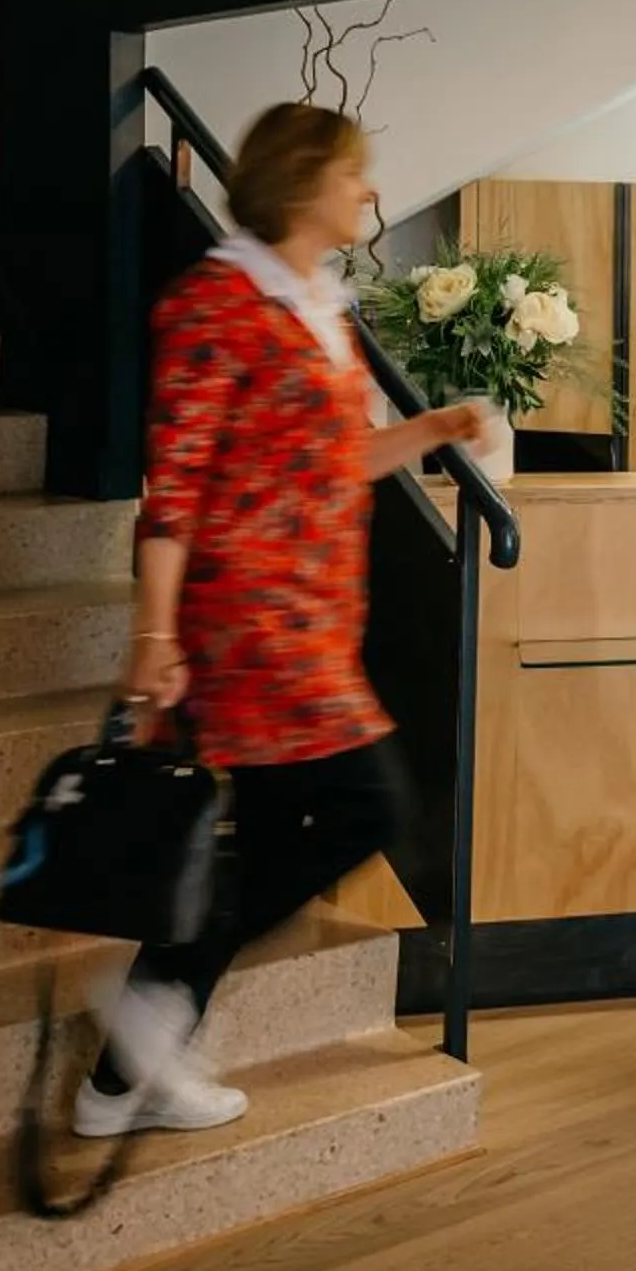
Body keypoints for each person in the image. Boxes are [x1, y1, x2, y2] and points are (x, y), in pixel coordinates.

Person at [85, 102, 486, 1137]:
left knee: (266, 840)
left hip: (318, 612)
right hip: (251, 621)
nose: (368, 191)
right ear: (305, 182)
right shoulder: (214, 305)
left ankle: (119, 1080)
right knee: (371, 808)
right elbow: (174, 486)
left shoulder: (316, 304)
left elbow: (333, 461)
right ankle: (150, 1004)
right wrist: (154, 634)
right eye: (354, 174)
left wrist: (431, 430)